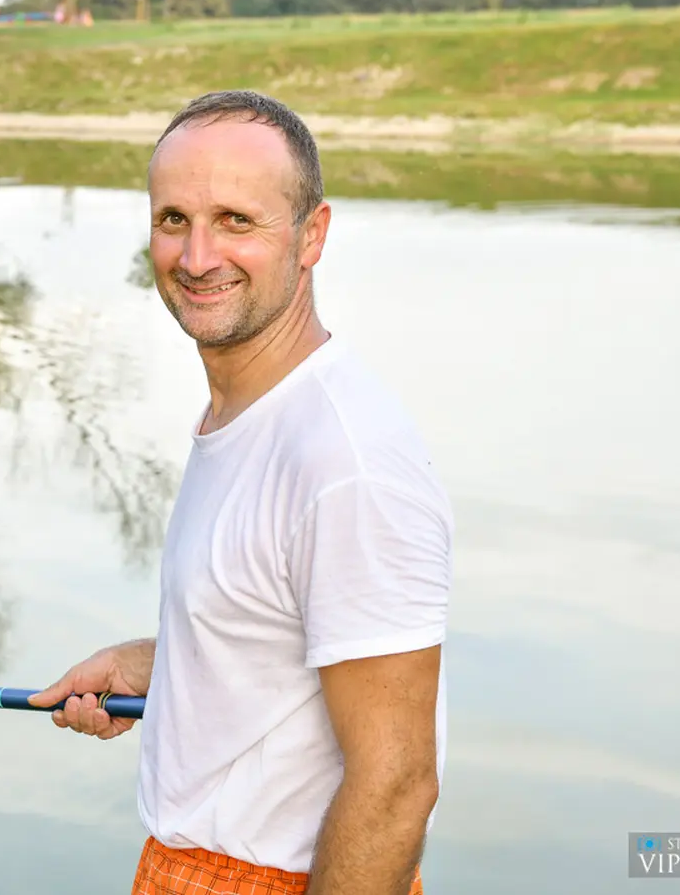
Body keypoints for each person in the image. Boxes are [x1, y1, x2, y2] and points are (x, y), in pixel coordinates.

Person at [29, 90, 452, 895]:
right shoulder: (246, 412)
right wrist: (162, 664)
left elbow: (397, 787)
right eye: (173, 220)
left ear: (311, 235)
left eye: (236, 220)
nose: (195, 258)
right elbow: (289, 642)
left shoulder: (345, 462)